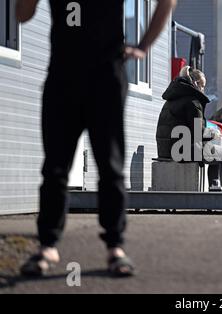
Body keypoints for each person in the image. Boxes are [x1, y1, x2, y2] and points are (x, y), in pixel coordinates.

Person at [18, 0, 177, 278]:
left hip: (105, 78)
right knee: (55, 167)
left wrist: (143, 45)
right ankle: (47, 246)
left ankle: (115, 246)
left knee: (110, 166)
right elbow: (22, 14)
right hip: (62, 77)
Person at [156, 66, 222, 191]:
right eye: (202, 85)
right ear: (195, 83)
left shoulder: (172, 98)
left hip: (165, 149)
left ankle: (215, 187)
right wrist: (214, 133)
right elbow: (198, 132)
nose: (203, 89)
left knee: (214, 151)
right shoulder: (193, 101)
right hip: (182, 150)